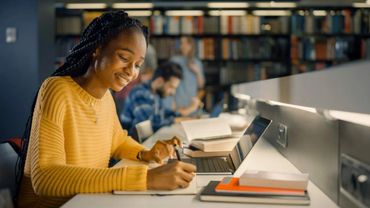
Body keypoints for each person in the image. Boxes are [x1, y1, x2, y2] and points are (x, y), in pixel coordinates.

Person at [16, 11, 196, 208]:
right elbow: (46, 178)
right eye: (124, 57)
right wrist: (145, 178)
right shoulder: (57, 90)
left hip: (87, 201)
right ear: (97, 49)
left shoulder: (106, 97)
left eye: (138, 65)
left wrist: (146, 153)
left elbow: (117, 141)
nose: (131, 72)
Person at [120, 61, 187, 136]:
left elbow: (162, 112)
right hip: (133, 143)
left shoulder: (155, 94)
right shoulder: (140, 94)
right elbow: (149, 126)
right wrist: (174, 120)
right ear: (160, 81)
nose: (173, 92)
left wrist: (181, 116)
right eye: (171, 87)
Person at [164, 36, 205, 116]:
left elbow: (201, 85)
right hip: (179, 105)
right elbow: (168, 83)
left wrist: (197, 72)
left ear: (190, 45)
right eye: (181, 43)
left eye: (185, 43)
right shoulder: (174, 60)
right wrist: (172, 103)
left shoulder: (197, 62)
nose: (182, 46)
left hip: (193, 107)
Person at [114, 43, 157, 113]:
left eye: (137, 65)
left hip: (136, 94)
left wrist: (138, 77)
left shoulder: (148, 50)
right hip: (120, 93)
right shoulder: (121, 43)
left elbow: (152, 73)